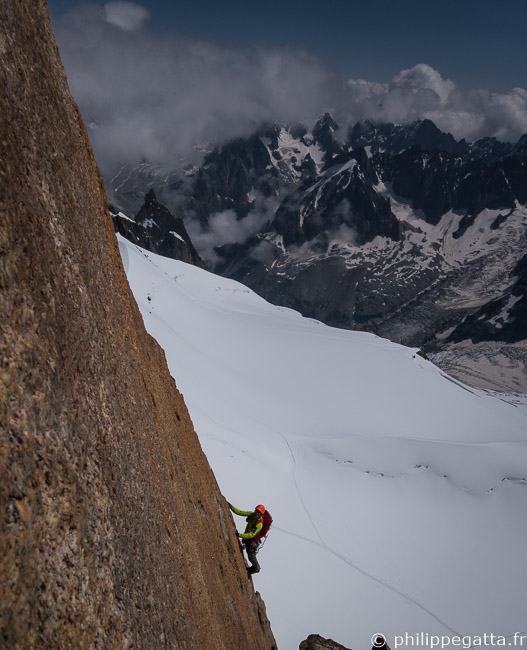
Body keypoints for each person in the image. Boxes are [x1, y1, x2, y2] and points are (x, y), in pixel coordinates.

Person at [228, 503, 269, 574]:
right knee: (245, 543)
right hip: (247, 537)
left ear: (261, 514)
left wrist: (239, 535)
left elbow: (251, 535)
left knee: (251, 556)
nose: (256, 513)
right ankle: (244, 545)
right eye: (256, 511)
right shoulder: (252, 514)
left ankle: (256, 568)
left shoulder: (259, 524)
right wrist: (230, 506)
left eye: (258, 512)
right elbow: (240, 512)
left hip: (252, 541)